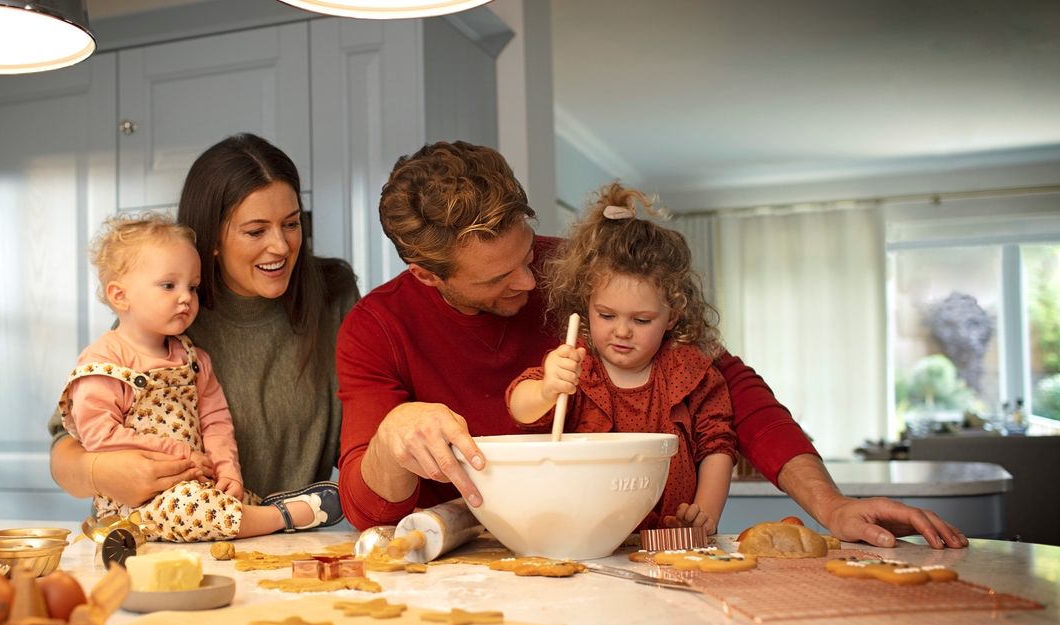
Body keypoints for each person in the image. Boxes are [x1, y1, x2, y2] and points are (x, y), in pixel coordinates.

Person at [336, 140, 967, 550]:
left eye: (527, 254)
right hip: (476, 569)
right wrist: (397, 433)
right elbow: (368, 511)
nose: (531, 283)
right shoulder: (376, 328)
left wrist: (830, 505)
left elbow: (733, 391)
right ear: (426, 275)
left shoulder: (589, 273)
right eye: (497, 278)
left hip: (624, 549)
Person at [50, 134, 359, 526]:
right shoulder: (166, 313)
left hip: (282, 545)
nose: (280, 246)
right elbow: (66, 448)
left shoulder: (335, 296)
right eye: (256, 231)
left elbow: (362, 436)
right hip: (159, 535)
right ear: (212, 239)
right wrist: (102, 473)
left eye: (292, 223)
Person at [58, 214, 336, 537]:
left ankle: (264, 511)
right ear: (120, 296)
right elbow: (99, 437)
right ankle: (283, 517)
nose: (186, 298)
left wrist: (227, 469)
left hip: (197, 485)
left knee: (229, 501)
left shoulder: (193, 358)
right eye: (168, 285)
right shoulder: (103, 362)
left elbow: (216, 421)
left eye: (192, 287)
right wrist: (181, 454)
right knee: (204, 510)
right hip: (136, 506)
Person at [506, 184, 735, 535]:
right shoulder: (577, 367)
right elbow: (520, 409)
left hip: (671, 539)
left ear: (672, 316)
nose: (622, 331)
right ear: (587, 307)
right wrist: (547, 390)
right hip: (586, 536)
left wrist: (703, 516)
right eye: (607, 315)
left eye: (641, 320)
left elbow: (717, 446)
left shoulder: (690, 371)